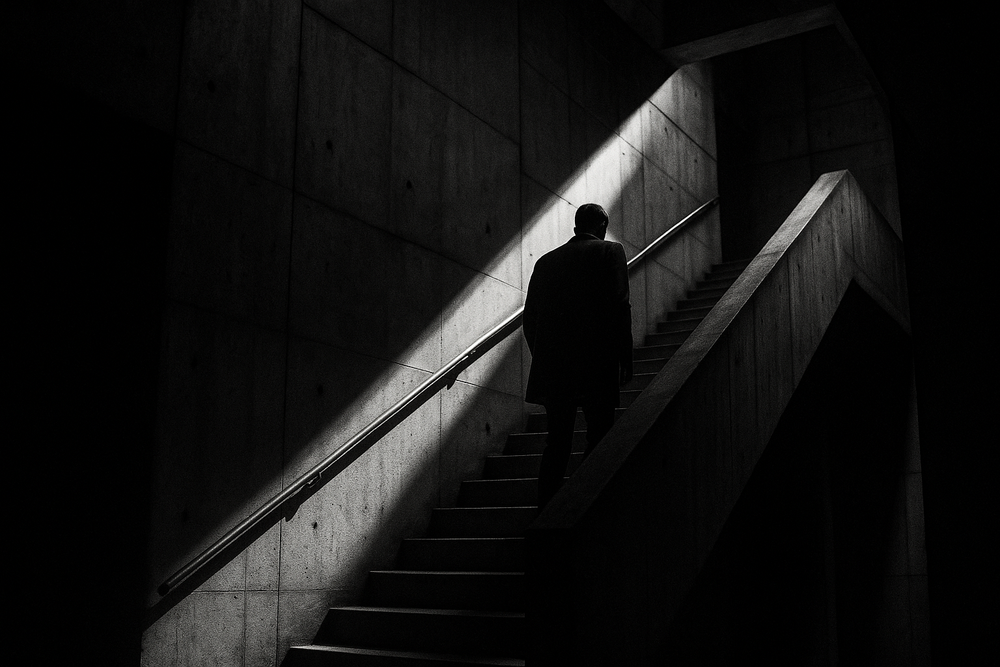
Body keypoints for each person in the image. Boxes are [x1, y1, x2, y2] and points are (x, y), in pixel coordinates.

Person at [523, 202, 633, 510]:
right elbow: (619, 305)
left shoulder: (545, 263)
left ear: (575, 228)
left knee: (556, 442)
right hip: (597, 364)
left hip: (555, 369)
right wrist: (625, 355)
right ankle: (585, 505)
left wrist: (543, 358)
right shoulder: (611, 252)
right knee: (599, 436)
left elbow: (529, 320)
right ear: (602, 228)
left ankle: (545, 510)